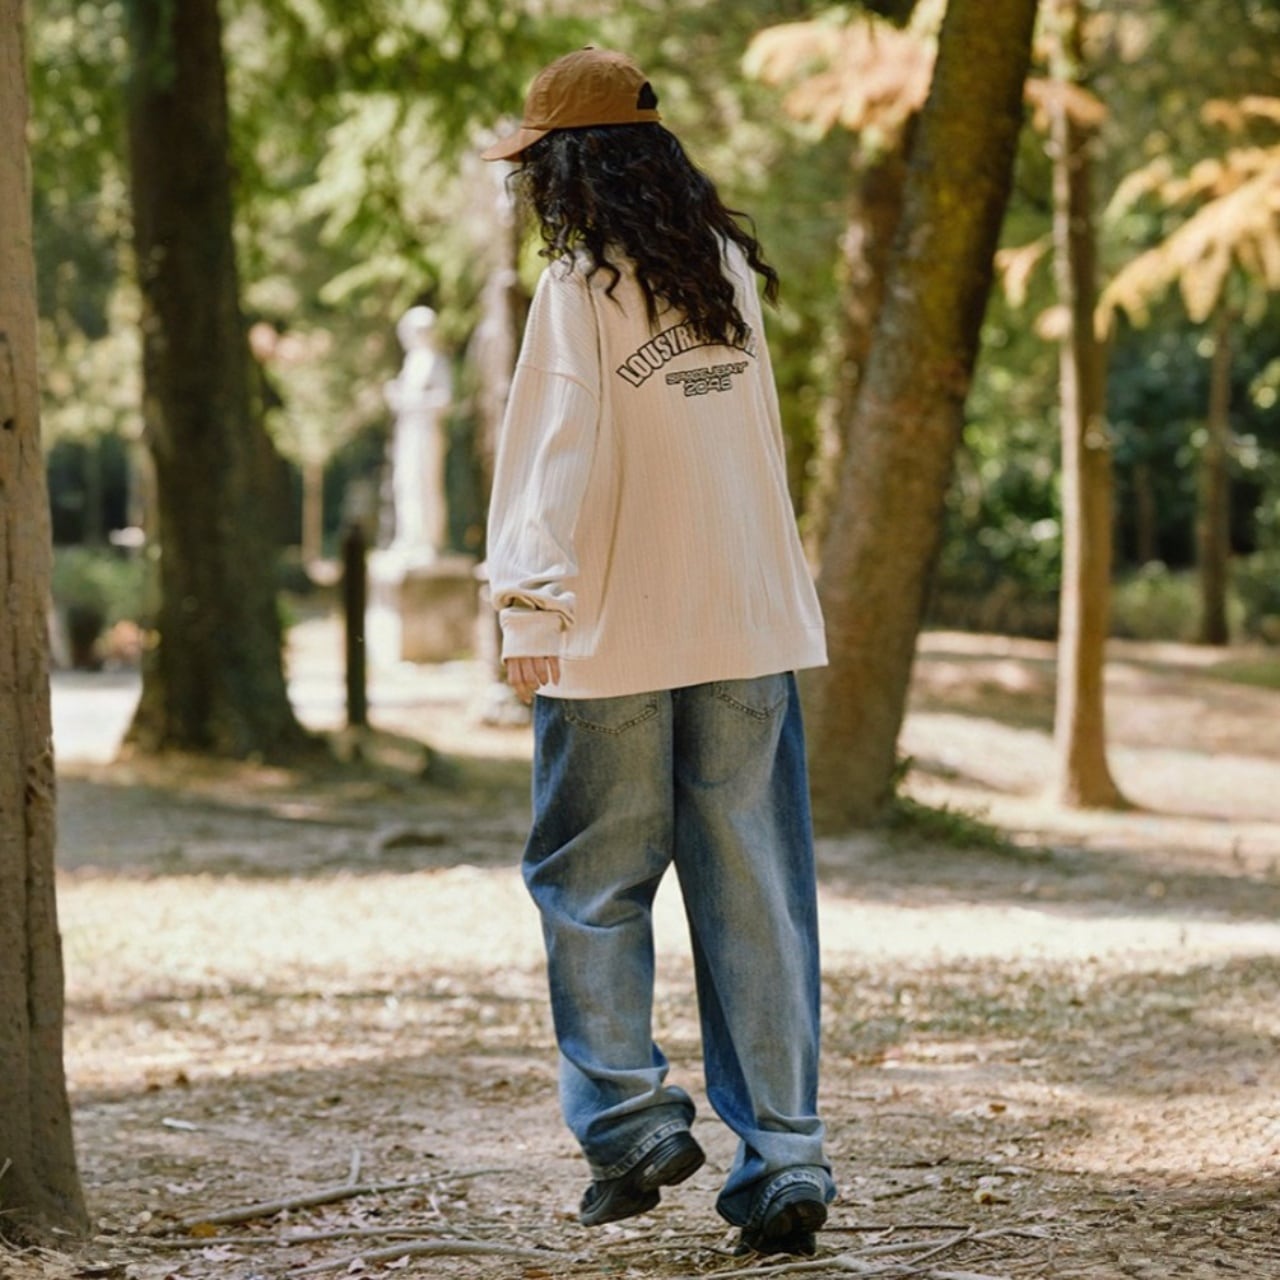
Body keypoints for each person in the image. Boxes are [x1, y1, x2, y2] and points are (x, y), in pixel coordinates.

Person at [482, 47, 836, 1258]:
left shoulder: (579, 283)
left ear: (565, 166)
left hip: (611, 637)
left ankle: (631, 1121)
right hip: (744, 625)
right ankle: (785, 1159)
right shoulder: (721, 270)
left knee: (590, 885)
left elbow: (553, 448)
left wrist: (527, 608)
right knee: (756, 900)